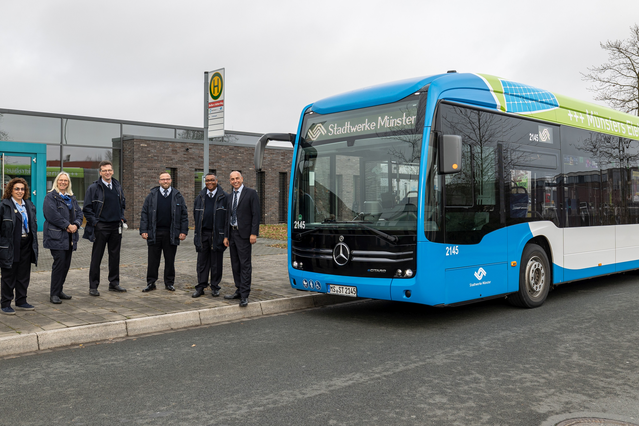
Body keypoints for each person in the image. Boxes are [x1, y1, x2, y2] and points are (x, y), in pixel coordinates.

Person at [83, 160, 127, 296]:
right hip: (101, 227)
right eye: (104, 170)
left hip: (116, 227)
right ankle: (93, 286)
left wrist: (122, 217)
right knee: (97, 257)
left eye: (109, 170)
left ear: (112, 171)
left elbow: (122, 204)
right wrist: (95, 223)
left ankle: (114, 283)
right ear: (100, 172)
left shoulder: (118, 186)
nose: (107, 172)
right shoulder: (94, 188)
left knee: (115, 257)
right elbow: (87, 208)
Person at [139, 172, 188, 292]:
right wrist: (144, 230)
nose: (165, 181)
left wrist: (183, 231)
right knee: (152, 260)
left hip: (171, 233)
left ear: (171, 180)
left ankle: (169, 283)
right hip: (154, 233)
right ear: (159, 181)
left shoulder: (178, 196)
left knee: (170, 260)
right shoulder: (151, 195)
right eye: (163, 179)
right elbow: (144, 213)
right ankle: (151, 283)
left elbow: (184, 215)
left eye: (167, 179)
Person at [43, 172, 83, 304]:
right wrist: (67, 225)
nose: (63, 182)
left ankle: (59, 290)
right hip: (56, 237)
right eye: (61, 180)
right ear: (57, 181)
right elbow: (51, 215)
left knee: (66, 265)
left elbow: (79, 213)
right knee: (59, 265)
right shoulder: (50, 197)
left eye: (66, 180)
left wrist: (76, 225)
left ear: (68, 183)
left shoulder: (71, 198)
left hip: (70, 237)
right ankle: (54, 293)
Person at [0, 178, 39, 314]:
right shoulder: (4, 205)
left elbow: (33, 226)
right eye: (17, 188)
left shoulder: (29, 205)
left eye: (22, 189)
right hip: (10, 245)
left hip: (26, 243)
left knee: (23, 274)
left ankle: (21, 301)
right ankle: (5, 303)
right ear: (11, 190)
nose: (20, 191)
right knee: (9, 275)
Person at [223, 171, 260, 307]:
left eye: (237, 178)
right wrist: (226, 236)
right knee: (235, 264)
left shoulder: (251, 193)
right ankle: (238, 289)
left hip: (245, 235)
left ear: (242, 179)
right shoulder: (229, 196)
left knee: (245, 265)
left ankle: (244, 295)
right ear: (230, 181)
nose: (235, 181)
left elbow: (256, 214)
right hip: (232, 234)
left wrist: (254, 233)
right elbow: (228, 217)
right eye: (232, 179)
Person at [192, 173, 228, 298]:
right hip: (203, 234)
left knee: (216, 263)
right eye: (207, 180)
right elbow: (195, 216)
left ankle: (215, 287)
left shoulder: (224, 197)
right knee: (202, 262)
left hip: (217, 234)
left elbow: (227, 219)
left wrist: (225, 236)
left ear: (217, 181)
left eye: (212, 180)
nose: (209, 182)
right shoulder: (200, 197)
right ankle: (201, 286)